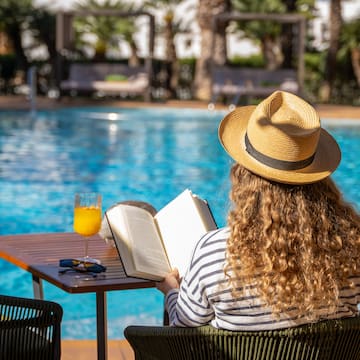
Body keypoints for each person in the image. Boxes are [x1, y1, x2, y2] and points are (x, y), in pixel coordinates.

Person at [156, 90, 360, 330]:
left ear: (243, 175)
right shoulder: (349, 249)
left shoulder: (215, 254)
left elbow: (183, 324)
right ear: (319, 179)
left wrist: (171, 290)